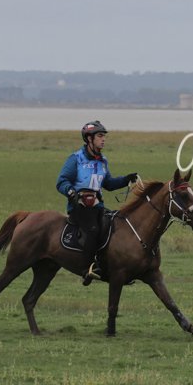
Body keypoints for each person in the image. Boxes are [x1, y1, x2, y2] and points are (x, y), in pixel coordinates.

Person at [56, 120, 137, 285]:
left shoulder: (102, 161)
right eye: (100, 136)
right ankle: (87, 269)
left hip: (97, 206)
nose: (103, 139)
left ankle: (115, 267)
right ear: (89, 139)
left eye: (104, 136)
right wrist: (71, 192)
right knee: (93, 229)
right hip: (79, 207)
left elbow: (108, 184)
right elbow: (61, 181)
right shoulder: (75, 159)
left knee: (114, 225)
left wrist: (126, 180)